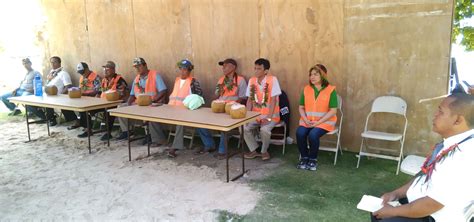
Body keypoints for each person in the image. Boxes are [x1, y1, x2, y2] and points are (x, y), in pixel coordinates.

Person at [372, 93, 473, 222]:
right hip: (423, 202)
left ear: (458, 120)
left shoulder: (463, 155)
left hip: (434, 215)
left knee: (382, 217)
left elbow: (432, 204)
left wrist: (392, 211)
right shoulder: (454, 142)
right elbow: (423, 177)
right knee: (377, 208)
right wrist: (395, 194)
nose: (435, 115)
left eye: (441, 112)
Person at [196, 58, 248, 159]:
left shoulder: (240, 80)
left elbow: (243, 98)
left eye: (226, 66)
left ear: (233, 67)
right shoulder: (221, 80)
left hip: (232, 109)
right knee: (199, 123)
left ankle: (222, 151)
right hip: (219, 108)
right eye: (222, 66)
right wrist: (210, 104)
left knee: (225, 126)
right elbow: (217, 95)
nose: (223, 68)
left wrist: (233, 106)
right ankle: (209, 144)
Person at [116, 57, 168, 146]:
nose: (137, 69)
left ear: (145, 65)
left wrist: (153, 100)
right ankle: (127, 131)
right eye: (136, 67)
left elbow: (163, 90)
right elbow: (132, 94)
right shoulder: (137, 78)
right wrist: (128, 104)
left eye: (139, 66)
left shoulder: (155, 75)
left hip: (153, 103)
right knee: (120, 108)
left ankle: (156, 139)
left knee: (151, 114)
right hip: (139, 103)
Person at [296, 64, 338, 171]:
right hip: (308, 121)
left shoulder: (330, 90)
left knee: (313, 134)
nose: (312, 77)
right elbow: (301, 107)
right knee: (300, 132)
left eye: (316, 74)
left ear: (323, 75)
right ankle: (304, 158)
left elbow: (333, 110)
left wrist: (318, 123)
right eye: (311, 75)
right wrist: (305, 119)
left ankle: (313, 160)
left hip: (325, 122)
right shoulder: (306, 89)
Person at [243, 58, 282, 161]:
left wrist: (268, 118)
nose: (256, 70)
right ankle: (253, 150)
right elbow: (250, 101)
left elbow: (273, 100)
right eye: (255, 68)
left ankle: (264, 151)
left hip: (271, 116)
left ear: (266, 71)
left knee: (264, 130)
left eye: (259, 69)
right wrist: (246, 117)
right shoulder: (252, 81)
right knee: (243, 127)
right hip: (255, 115)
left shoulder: (273, 80)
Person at [167, 59, 205, 158]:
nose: (182, 71)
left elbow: (199, 97)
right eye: (181, 69)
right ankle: (156, 139)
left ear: (189, 70)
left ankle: (175, 147)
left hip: (185, 111)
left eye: (185, 69)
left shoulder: (193, 81)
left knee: (180, 122)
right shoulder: (177, 80)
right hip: (171, 108)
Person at [29, 56, 77, 126]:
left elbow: (68, 86)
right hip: (45, 93)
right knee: (29, 104)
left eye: (55, 62)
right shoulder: (51, 73)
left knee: (47, 101)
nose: (53, 64)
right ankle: (46, 118)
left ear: (60, 63)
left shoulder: (63, 73)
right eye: (51, 62)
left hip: (56, 96)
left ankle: (51, 119)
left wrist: (61, 95)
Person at [96, 61, 129, 141]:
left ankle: (108, 132)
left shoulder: (119, 80)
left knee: (109, 109)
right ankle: (89, 129)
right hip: (102, 102)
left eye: (107, 69)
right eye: (104, 69)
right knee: (89, 109)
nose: (105, 71)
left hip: (116, 102)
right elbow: (100, 92)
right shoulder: (104, 80)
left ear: (113, 70)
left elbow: (122, 94)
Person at [68, 62, 102, 138]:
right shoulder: (82, 78)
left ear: (87, 69)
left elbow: (98, 90)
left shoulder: (95, 77)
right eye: (80, 73)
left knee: (84, 109)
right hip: (84, 99)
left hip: (94, 99)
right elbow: (80, 89)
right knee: (73, 105)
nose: (81, 74)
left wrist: (86, 94)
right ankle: (83, 125)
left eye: (82, 72)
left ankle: (88, 130)